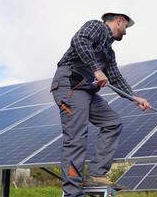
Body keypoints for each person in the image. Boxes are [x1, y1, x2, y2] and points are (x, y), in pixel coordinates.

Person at [50, 10, 151, 196]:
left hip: (86, 91)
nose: (126, 32)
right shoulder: (97, 26)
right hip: (70, 85)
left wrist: (135, 98)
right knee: (77, 138)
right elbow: (80, 40)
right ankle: (72, 193)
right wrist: (96, 70)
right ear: (119, 21)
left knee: (113, 122)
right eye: (126, 27)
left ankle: (96, 174)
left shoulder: (109, 52)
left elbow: (115, 78)